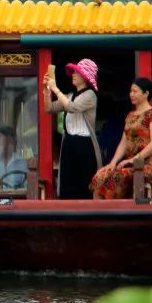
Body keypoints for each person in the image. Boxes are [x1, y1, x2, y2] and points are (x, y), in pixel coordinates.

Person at [91, 77, 152, 199]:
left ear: (146, 94)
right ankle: (101, 214)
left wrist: (133, 160)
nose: (131, 94)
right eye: (131, 91)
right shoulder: (130, 115)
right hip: (129, 164)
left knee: (116, 177)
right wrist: (112, 163)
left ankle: (114, 212)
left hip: (146, 163)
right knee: (100, 176)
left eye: (135, 91)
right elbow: (123, 143)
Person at [44, 58, 101, 198]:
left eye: (77, 72)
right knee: (67, 185)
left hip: (84, 146)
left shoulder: (90, 95)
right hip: (69, 144)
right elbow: (49, 108)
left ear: (85, 76)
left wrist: (55, 88)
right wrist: (46, 90)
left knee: (84, 186)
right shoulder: (70, 95)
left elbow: (72, 107)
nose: (73, 74)